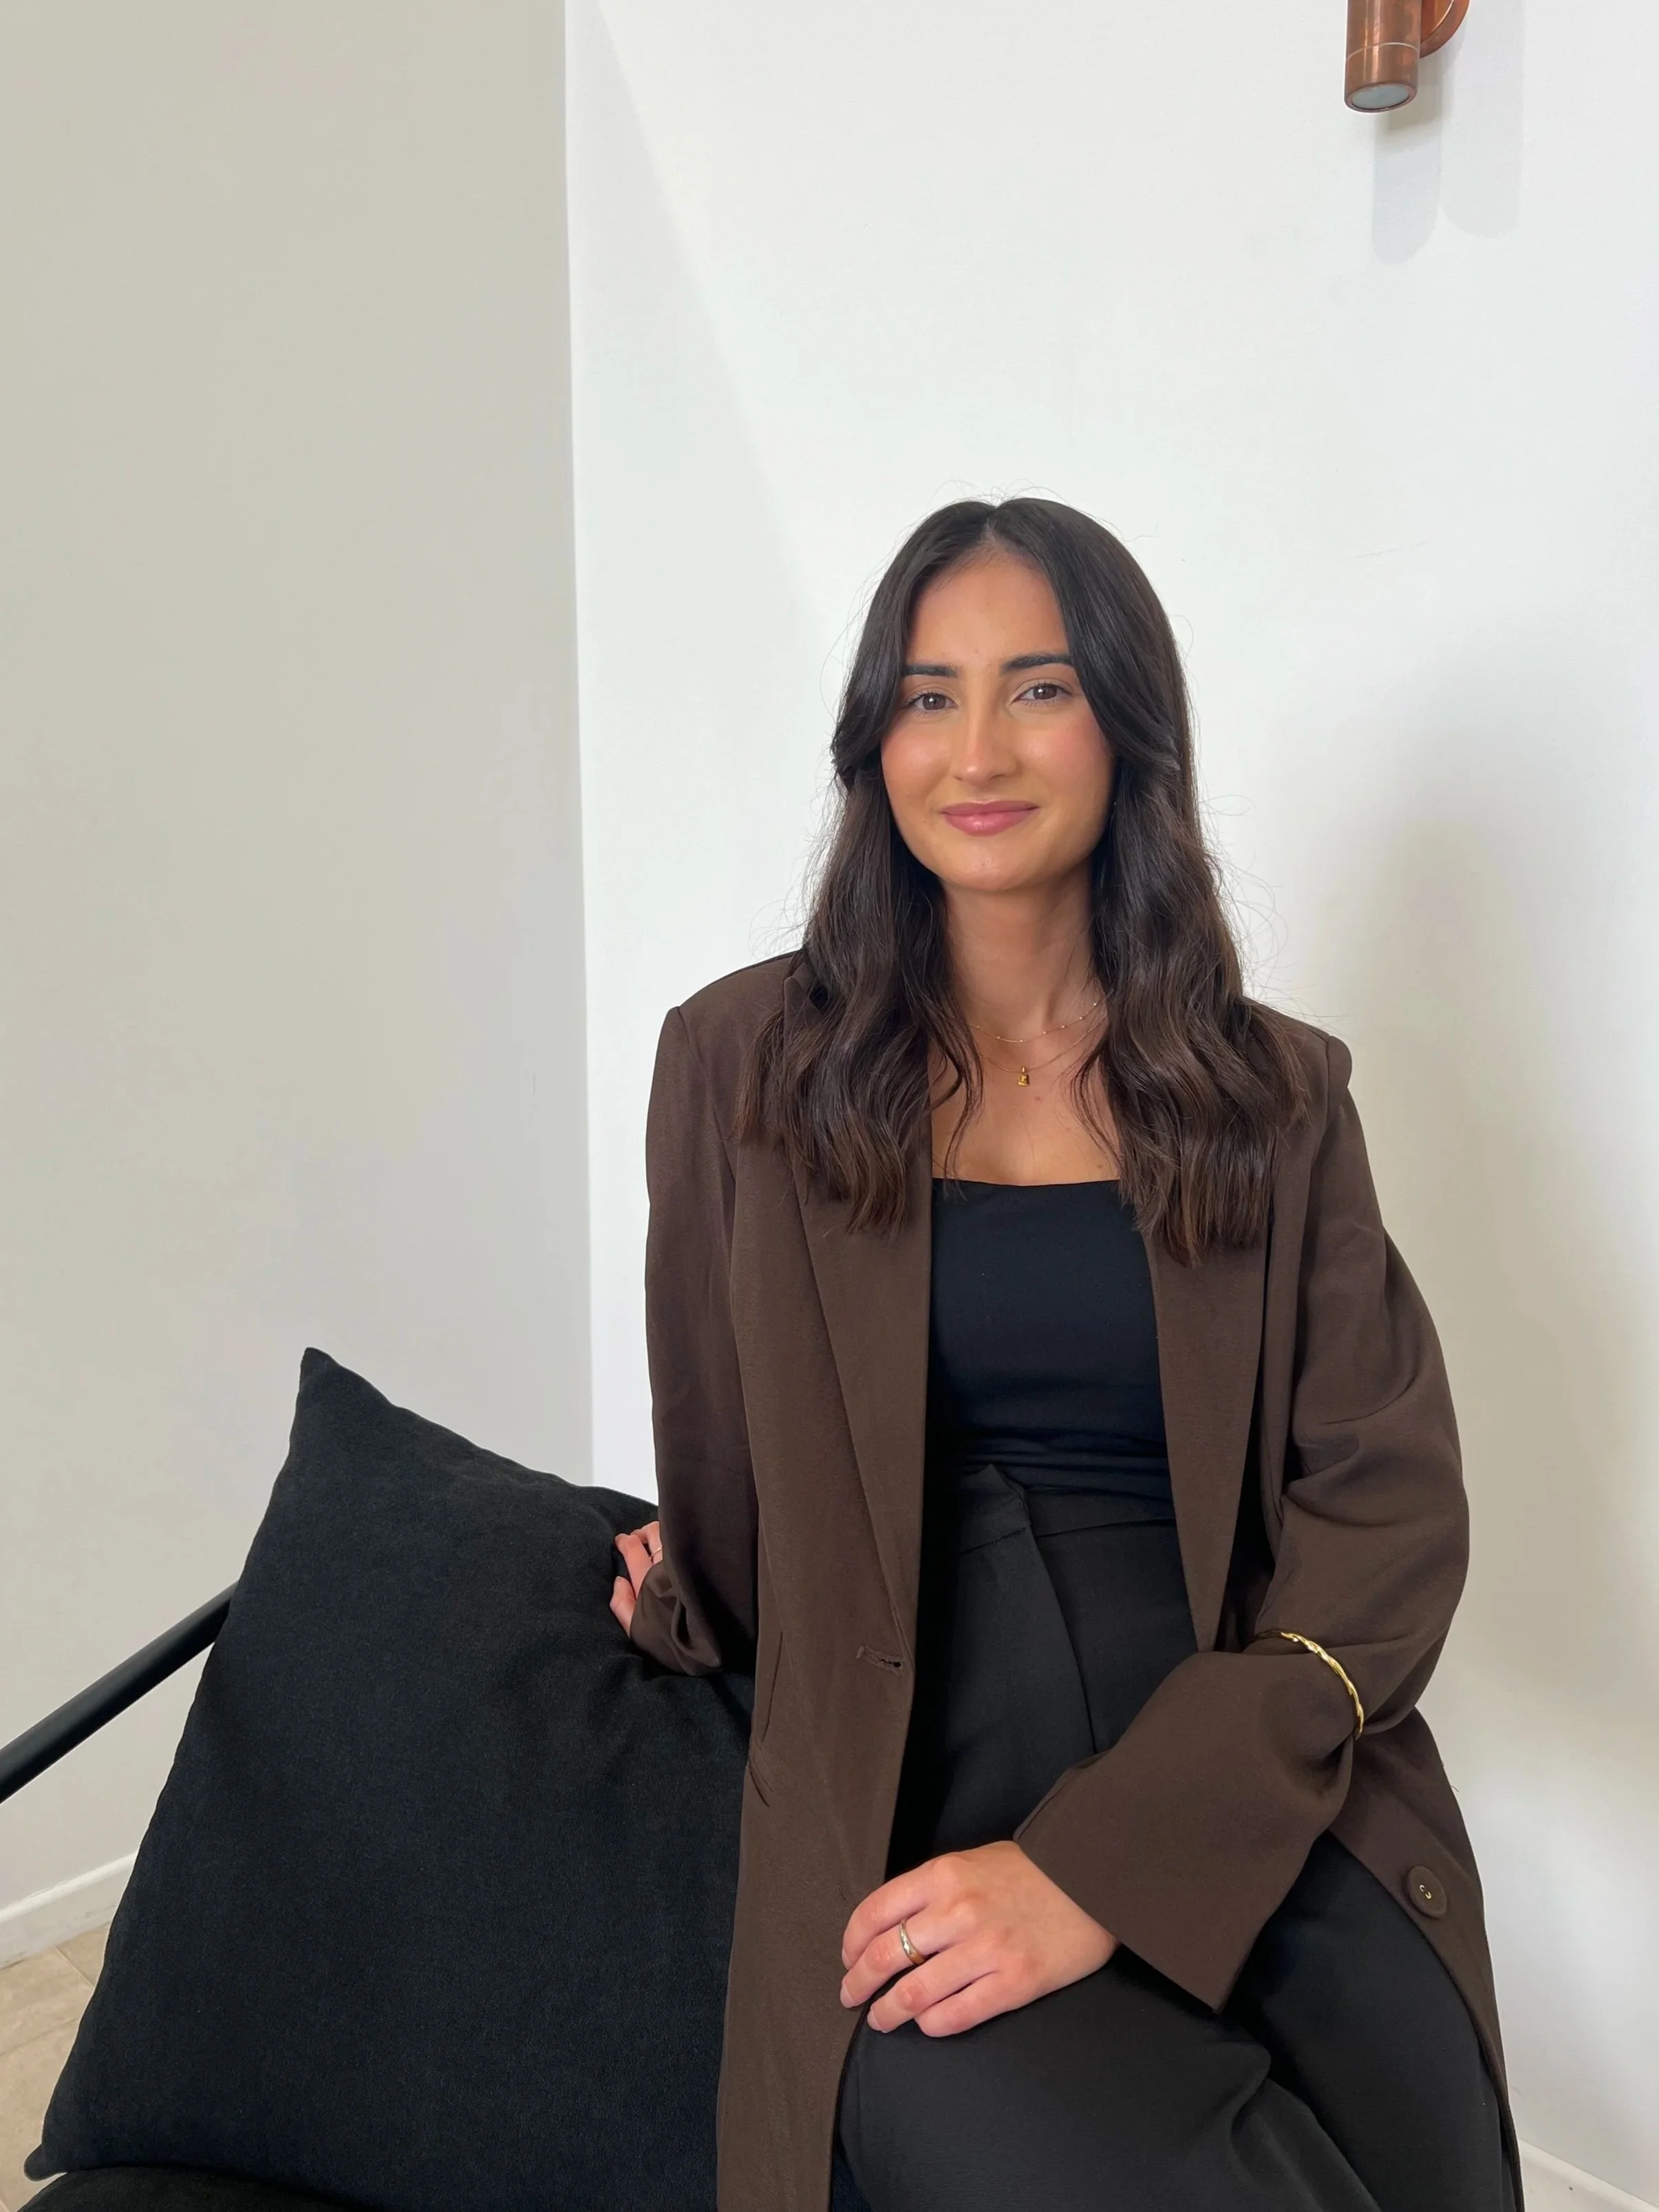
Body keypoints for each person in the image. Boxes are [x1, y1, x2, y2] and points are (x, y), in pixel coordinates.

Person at [608, 497, 1517, 2212]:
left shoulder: (1274, 1094)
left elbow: (1388, 1518)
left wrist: (1101, 1864)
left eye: (1034, 688)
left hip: (1251, 1783)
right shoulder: (740, 1066)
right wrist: (677, 1594)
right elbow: (722, 1475)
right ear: (873, 736)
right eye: (925, 693)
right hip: (917, 1818)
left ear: (1126, 723)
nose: (974, 747)